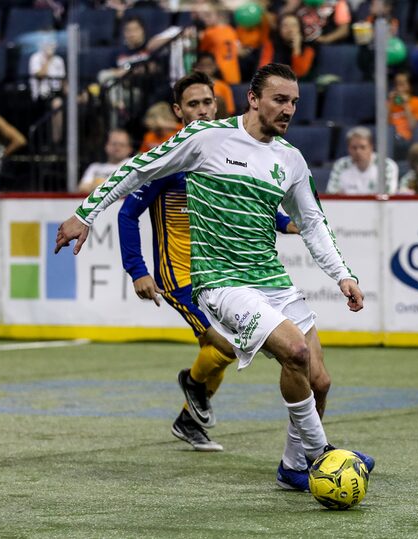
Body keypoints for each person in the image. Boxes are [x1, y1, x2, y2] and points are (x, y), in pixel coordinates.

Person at [54, 63, 374, 492]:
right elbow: (139, 169)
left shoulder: (290, 159)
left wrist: (343, 276)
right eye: (280, 100)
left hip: (271, 280)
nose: (289, 110)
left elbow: (313, 223)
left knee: (320, 381)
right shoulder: (206, 137)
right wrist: (84, 214)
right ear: (253, 99)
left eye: (295, 102)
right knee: (295, 352)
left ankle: (293, 465)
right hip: (221, 282)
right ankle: (323, 455)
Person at [119, 71, 298, 452]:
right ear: (178, 111)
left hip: (217, 269)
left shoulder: (225, 150)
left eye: (207, 103)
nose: (202, 111)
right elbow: (126, 213)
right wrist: (138, 270)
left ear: (216, 105)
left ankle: (188, 416)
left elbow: (248, 200)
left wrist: (286, 222)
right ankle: (193, 385)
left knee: (230, 344)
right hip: (179, 271)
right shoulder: (169, 158)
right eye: (193, 104)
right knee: (226, 344)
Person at [327, 126, 399, 194]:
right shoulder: (340, 165)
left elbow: (390, 195)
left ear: (371, 147)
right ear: (348, 148)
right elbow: (331, 194)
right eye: (354, 148)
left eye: (363, 147)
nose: (358, 151)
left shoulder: (386, 165)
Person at [258, 13, 316, 80]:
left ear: (300, 28)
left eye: (294, 26)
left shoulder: (308, 48)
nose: (290, 29)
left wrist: (296, 49)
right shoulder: (271, 44)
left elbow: (300, 73)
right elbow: (263, 71)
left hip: (298, 85)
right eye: (285, 26)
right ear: (279, 29)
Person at [196, 3, 242, 85]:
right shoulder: (231, 30)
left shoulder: (209, 33)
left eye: (208, 15)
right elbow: (239, 50)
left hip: (218, 77)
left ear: (218, 15)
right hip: (234, 75)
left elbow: (203, 55)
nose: (205, 19)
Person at [78, 129, 133, 194]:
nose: (117, 148)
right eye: (114, 144)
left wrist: (98, 184)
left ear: (129, 148)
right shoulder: (94, 167)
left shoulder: (134, 165)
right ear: (106, 146)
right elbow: (83, 189)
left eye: (122, 145)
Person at [193, 52, 236, 118]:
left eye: (209, 65)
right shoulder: (192, 87)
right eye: (202, 65)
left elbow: (229, 111)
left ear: (215, 66)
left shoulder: (224, 87)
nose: (206, 69)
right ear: (196, 67)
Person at [388, 71, 418, 142]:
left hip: (408, 140)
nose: (398, 87)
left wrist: (406, 105)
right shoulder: (389, 103)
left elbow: (413, 127)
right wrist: (389, 104)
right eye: (396, 84)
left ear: (410, 86)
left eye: (401, 84)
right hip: (390, 139)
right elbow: (382, 125)